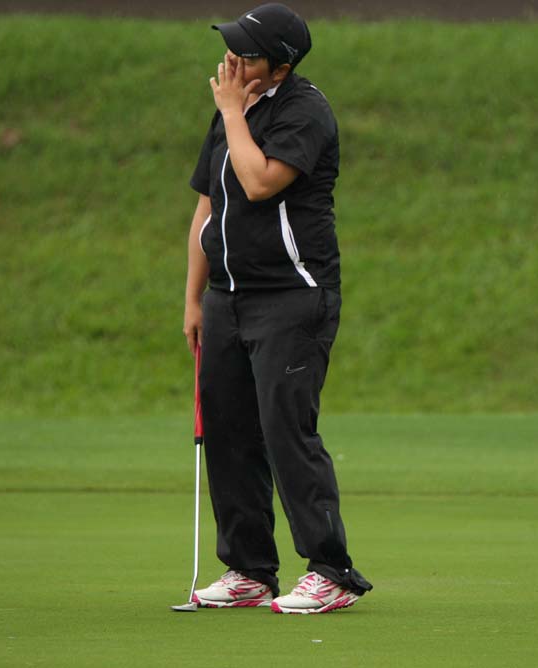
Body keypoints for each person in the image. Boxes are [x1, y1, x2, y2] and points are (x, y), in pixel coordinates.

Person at [181, 3, 372, 614]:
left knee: (286, 430)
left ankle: (331, 571)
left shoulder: (304, 112)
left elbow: (260, 180)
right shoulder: (231, 115)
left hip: (294, 297)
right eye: (231, 47)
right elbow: (208, 207)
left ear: (281, 66)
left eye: (247, 52)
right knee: (230, 432)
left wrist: (233, 113)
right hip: (228, 300)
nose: (232, 59)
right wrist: (193, 298)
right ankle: (249, 569)